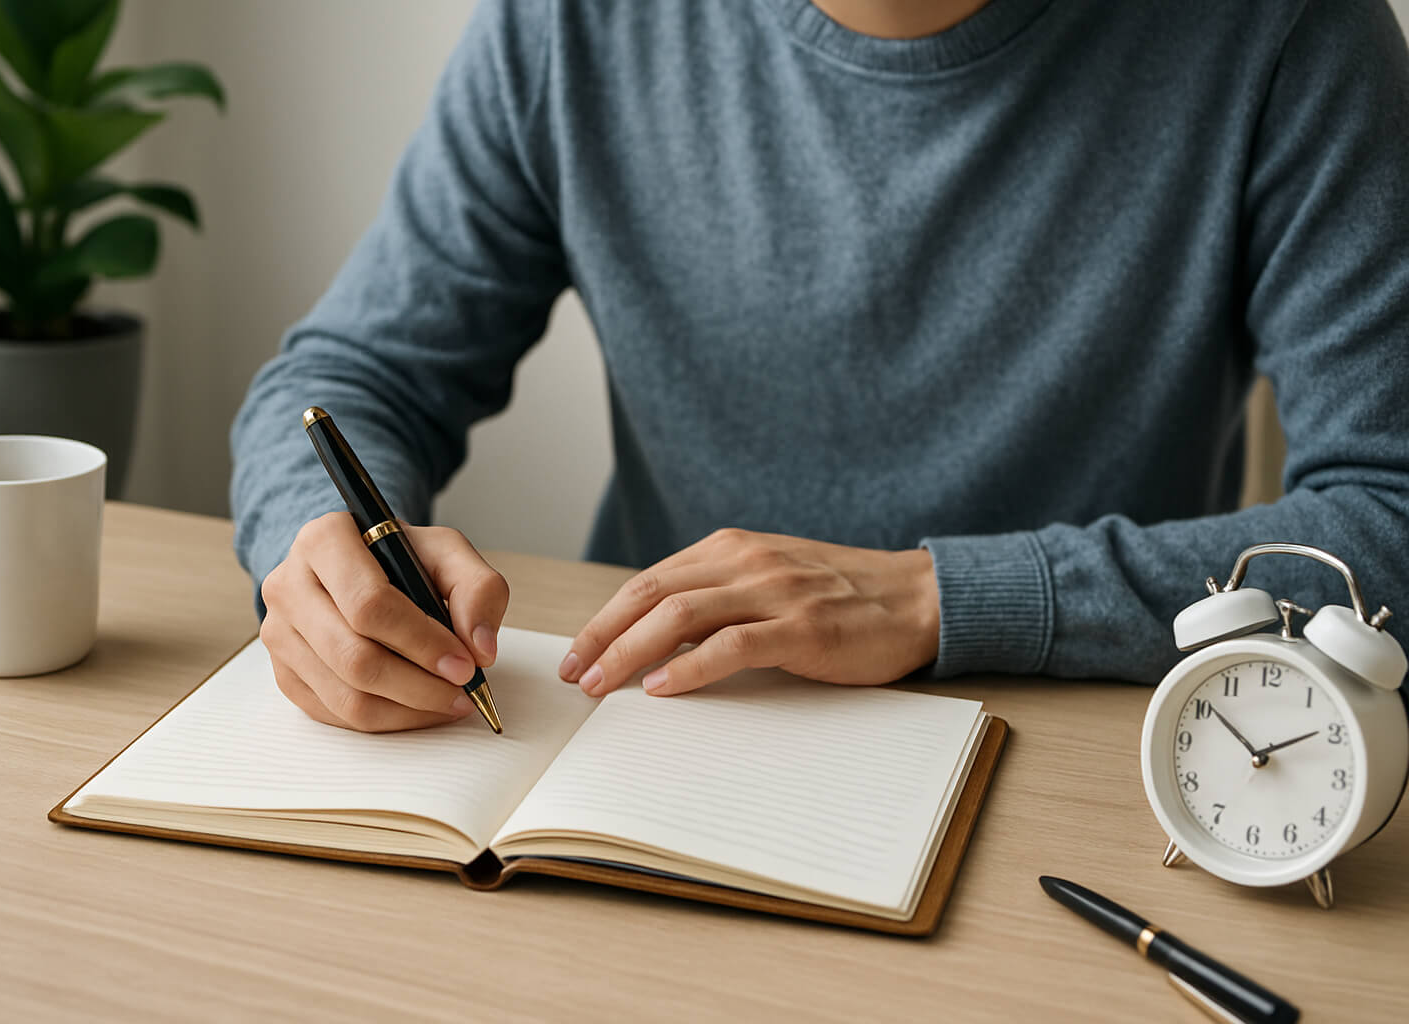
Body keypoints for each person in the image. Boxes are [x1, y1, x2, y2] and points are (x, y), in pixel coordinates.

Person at [231, 0, 1409, 733]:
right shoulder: (570, 23)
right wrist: (316, 554)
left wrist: (938, 597)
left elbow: (1388, 517)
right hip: (654, 732)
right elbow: (351, 378)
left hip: (1099, 745)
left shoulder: (1286, 29)